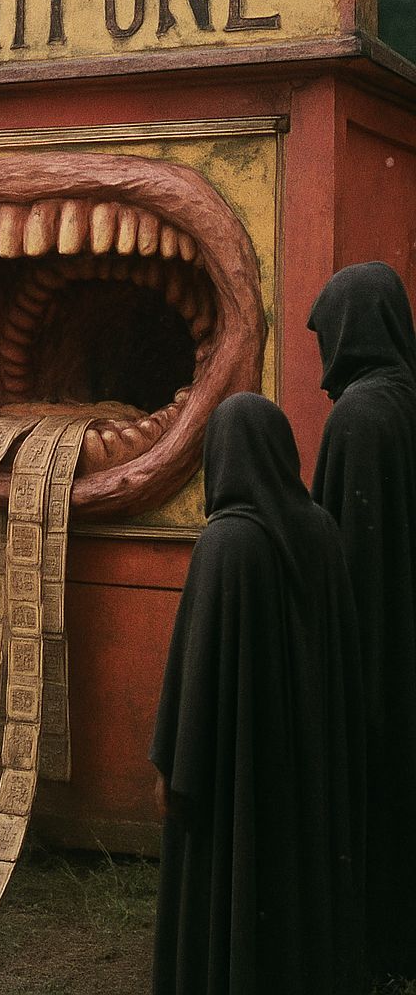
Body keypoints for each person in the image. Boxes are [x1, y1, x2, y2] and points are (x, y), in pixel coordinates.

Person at [150, 392, 365, 995]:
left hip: (233, 782)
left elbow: (195, 675)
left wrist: (173, 767)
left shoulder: (225, 544)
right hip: (303, 775)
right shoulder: (321, 531)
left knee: (231, 879)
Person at [310, 261, 416, 981]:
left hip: (374, 648)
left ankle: (377, 948)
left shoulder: (360, 416)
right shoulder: (406, 399)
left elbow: (346, 554)